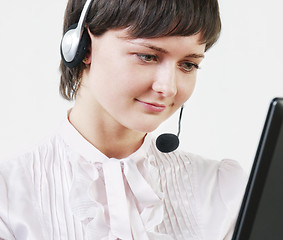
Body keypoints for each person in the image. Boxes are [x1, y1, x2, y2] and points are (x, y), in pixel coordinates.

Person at [0, 0, 248, 239]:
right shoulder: (8, 200)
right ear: (84, 47)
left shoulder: (221, 191)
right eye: (148, 56)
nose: (169, 87)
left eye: (188, 65)